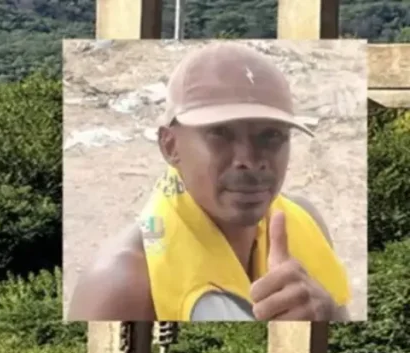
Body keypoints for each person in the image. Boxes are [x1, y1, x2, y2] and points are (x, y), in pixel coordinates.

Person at [68, 42, 351, 322]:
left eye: (271, 136)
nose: (250, 160)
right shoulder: (119, 285)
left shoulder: (305, 221)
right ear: (170, 146)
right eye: (221, 134)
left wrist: (324, 317)